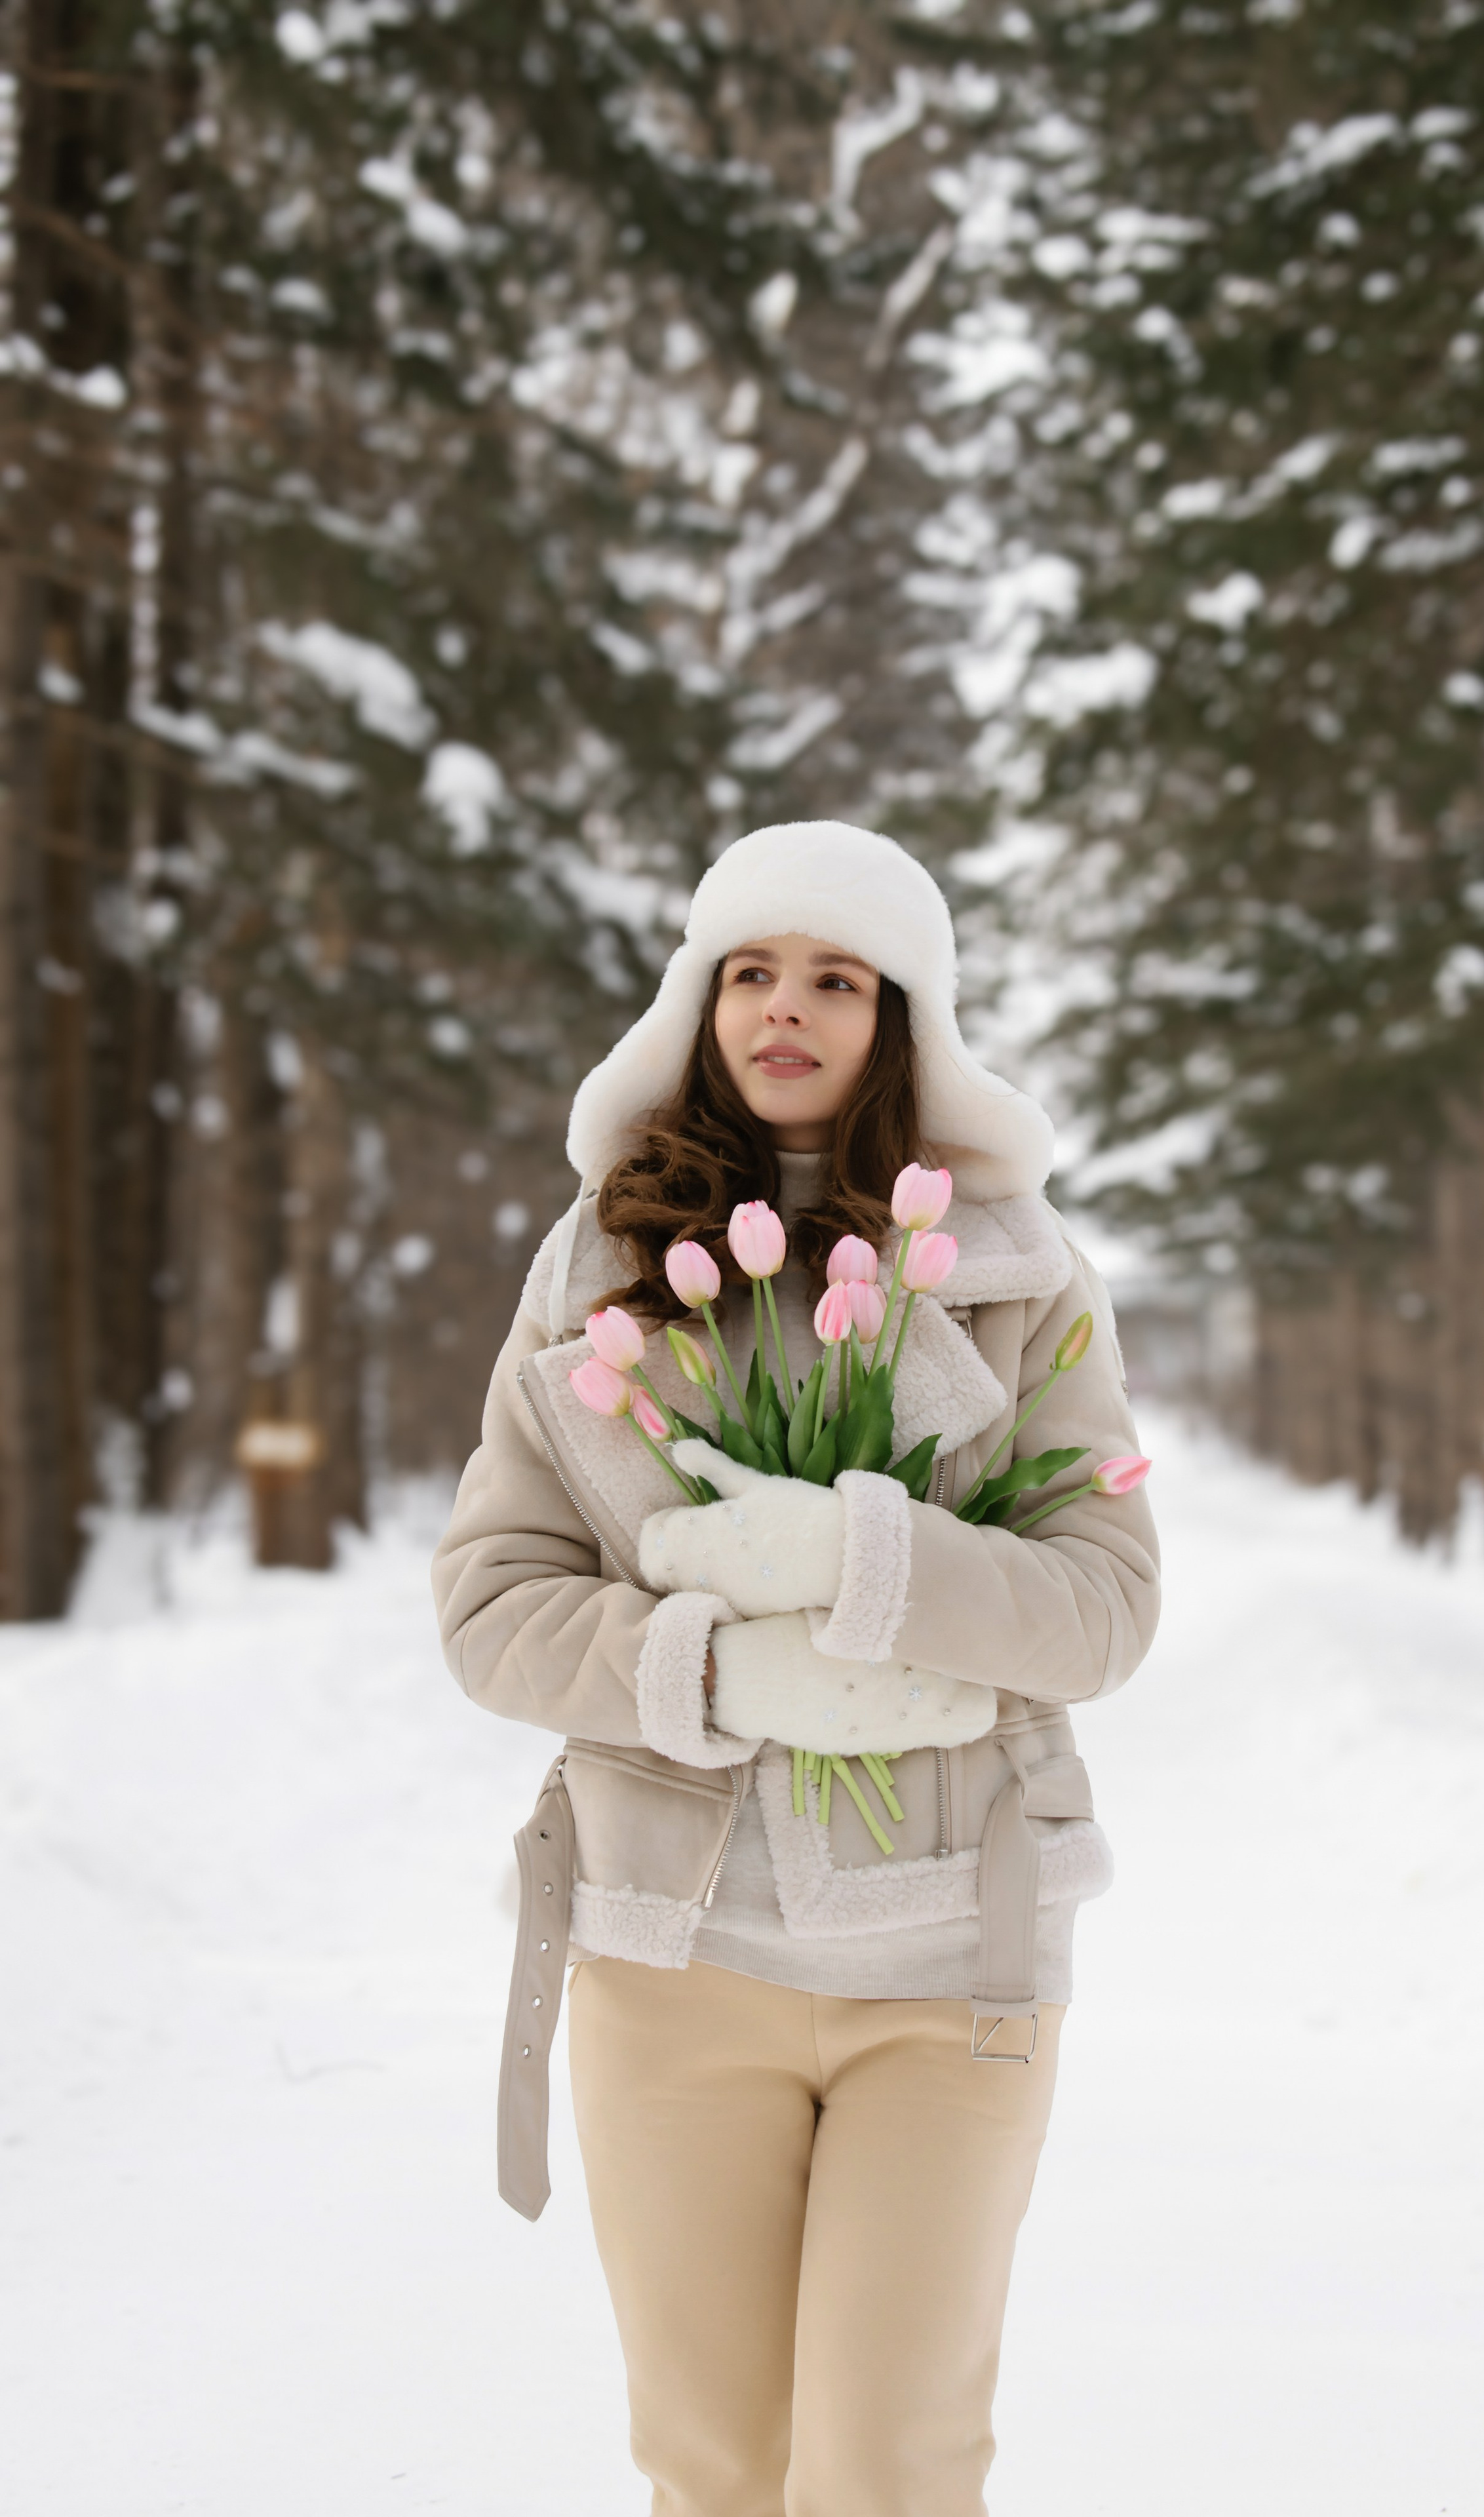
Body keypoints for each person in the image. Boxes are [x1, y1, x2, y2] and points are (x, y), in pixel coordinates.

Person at [433, 819, 1162, 2517]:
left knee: (889, 2469)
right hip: (668, 1954)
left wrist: (870, 1563)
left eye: (837, 978)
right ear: (697, 1003)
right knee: (713, 2468)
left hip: (953, 1966)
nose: (788, 1008)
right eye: (750, 971)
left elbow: (1106, 1604)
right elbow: (489, 1603)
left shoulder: (1020, 1283)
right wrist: (705, 1671)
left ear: (900, 1021)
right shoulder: (595, 1270)